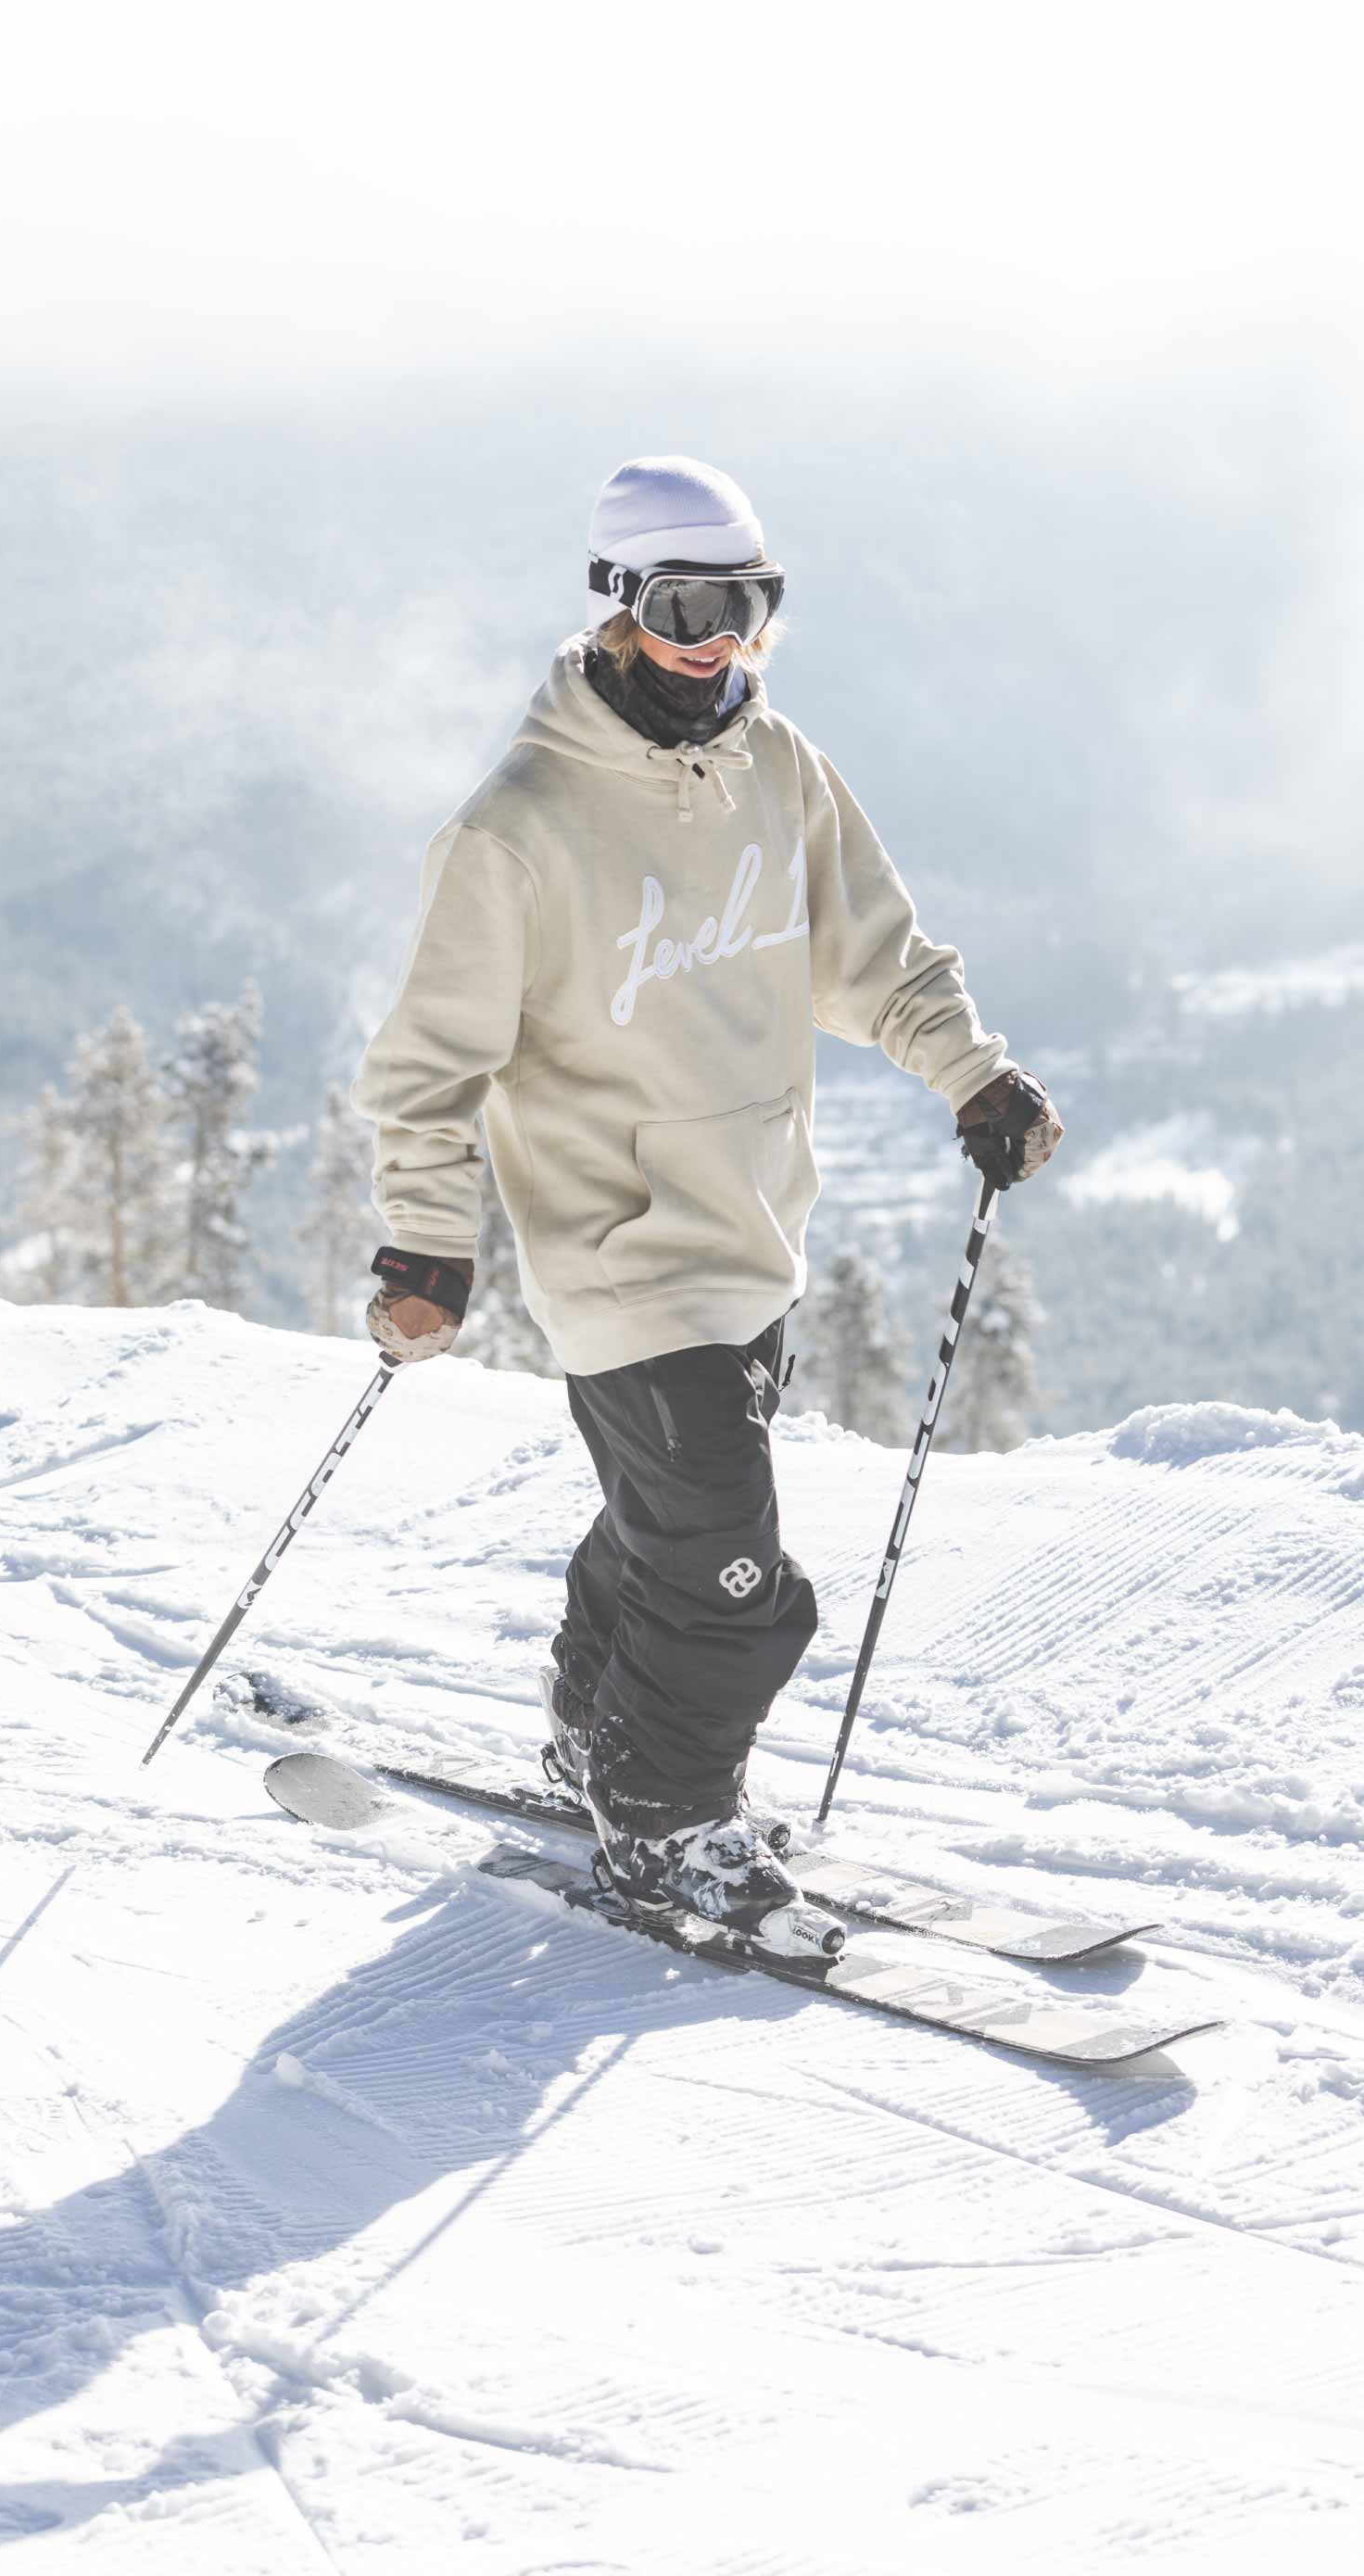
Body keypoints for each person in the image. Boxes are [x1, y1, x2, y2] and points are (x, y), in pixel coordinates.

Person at [352, 455, 1062, 1945]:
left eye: (746, 604)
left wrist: (972, 1077)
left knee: (663, 1531)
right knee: (740, 1586)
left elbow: (875, 953)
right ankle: (664, 1824)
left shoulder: (776, 768)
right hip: (618, 1258)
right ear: (618, 604)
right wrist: (425, 1236)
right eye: (684, 604)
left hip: (750, 1238)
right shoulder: (521, 826)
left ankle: (595, 1735)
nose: (714, 638)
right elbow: (430, 1063)